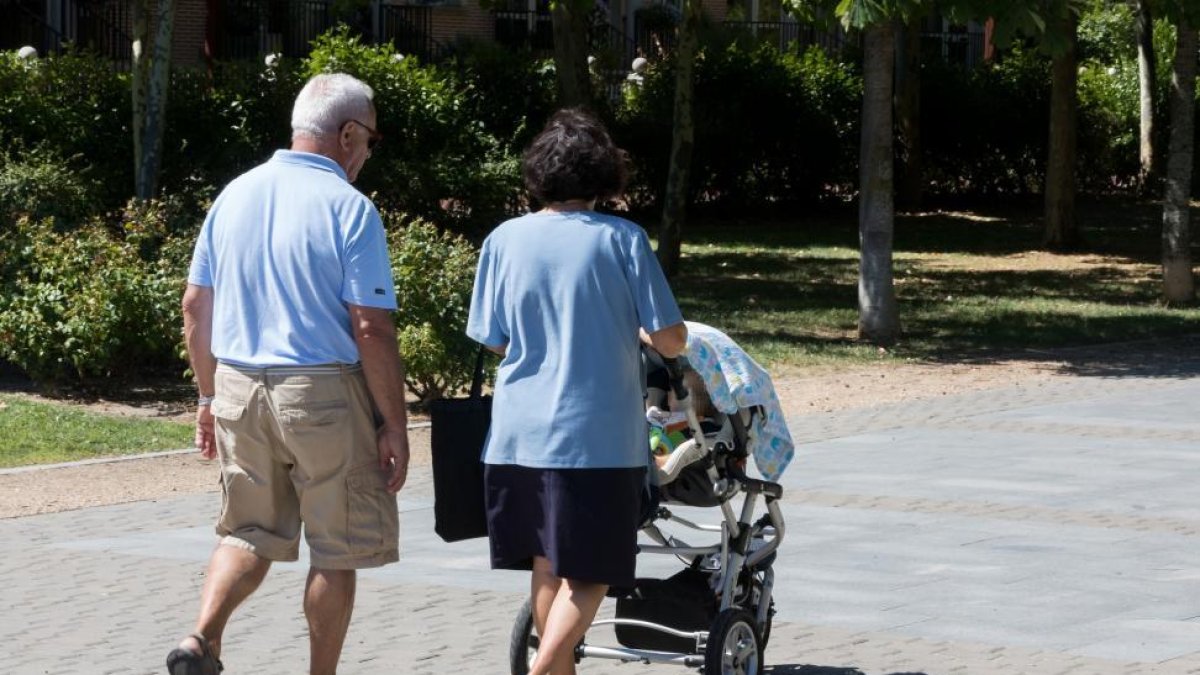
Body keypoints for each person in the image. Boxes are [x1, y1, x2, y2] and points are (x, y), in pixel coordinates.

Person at [168, 73, 410, 675]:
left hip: (239, 385)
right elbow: (371, 328)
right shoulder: (350, 208)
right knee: (337, 549)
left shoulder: (235, 194)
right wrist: (395, 425)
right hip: (321, 392)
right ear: (348, 134)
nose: (368, 154)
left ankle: (200, 637)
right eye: (371, 140)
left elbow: (195, 306)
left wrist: (205, 395)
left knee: (247, 531)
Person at [467, 108, 688, 675]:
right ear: (603, 175)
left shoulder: (503, 239)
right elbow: (668, 339)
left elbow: (494, 339)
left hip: (516, 435)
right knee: (590, 574)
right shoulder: (624, 240)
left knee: (546, 567)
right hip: (596, 439)